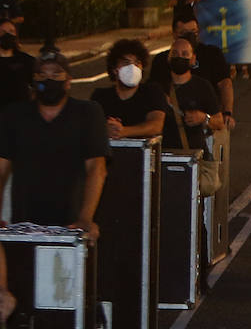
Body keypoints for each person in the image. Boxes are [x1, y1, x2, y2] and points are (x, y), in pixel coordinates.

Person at [0, 51, 107, 235]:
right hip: (25, 226)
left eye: (56, 74)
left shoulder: (87, 114)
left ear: (68, 81)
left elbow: (97, 167)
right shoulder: (14, 115)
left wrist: (85, 218)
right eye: (42, 74)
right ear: (34, 81)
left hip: (71, 226)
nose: (49, 79)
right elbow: (1, 169)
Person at [90, 39, 167, 141]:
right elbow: (90, 127)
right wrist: (105, 129)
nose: (132, 68)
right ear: (114, 70)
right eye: (126, 63)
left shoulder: (152, 92)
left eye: (137, 63)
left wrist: (123, 131)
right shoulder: (100, 96)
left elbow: (156, 125)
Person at [157, 37, 223, 153]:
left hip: (194, 154)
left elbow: (219, 122)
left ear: (193, 59)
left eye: (185, 54)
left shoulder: (203, 86)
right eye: (175, 53)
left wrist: (204, 118)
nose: (180, 57)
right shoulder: (158, 87)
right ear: (169, 57)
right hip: (164, 153)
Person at [0, 16, 34, 108]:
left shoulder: (26, 60)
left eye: (11, 31)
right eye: (3, 32)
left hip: (20, 114)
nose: (8, 35)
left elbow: (38, 84)